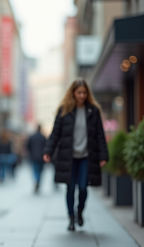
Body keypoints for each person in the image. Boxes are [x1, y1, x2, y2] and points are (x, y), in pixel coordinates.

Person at [43, 78, 108, 231]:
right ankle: (71, 217)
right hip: (69, 157)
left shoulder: (93, 110)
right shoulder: (64, 110)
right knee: (70, 187)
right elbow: (55, 134)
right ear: (73, 93)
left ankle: (80, 211)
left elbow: (99, 134)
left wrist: (103, 155)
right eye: (79, 92)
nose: (82, 95)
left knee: (84, 187)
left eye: (84, 92)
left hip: (87, 156)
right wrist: (48, 151)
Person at [27, 125, 46, 192]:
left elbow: (28, 146)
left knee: (35, 170)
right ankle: (38, 181)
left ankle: (36, 180)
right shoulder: (43, 137)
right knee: (40, 171)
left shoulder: (32, 137)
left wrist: (31, 153)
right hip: (41, 157)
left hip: (34, 156)